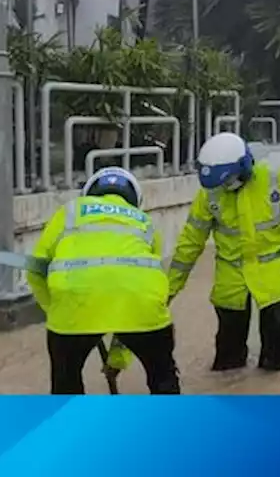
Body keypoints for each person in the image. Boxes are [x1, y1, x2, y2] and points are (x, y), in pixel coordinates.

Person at [27, 167, 180, 394]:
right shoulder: (145, 222)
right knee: (162, 376)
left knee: (65, 382)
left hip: (73, 306)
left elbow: (35, 269)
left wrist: (55, 310)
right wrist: (117, 360)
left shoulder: (69, 212)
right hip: (142, 305)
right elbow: (136, 296)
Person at [169, 132, 280, 372]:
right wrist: (169, 289)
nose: (227, 186)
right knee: (228, 356)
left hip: (272, 273)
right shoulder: (210, 192)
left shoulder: (276, 181)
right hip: (230, 277)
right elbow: (190, 243)